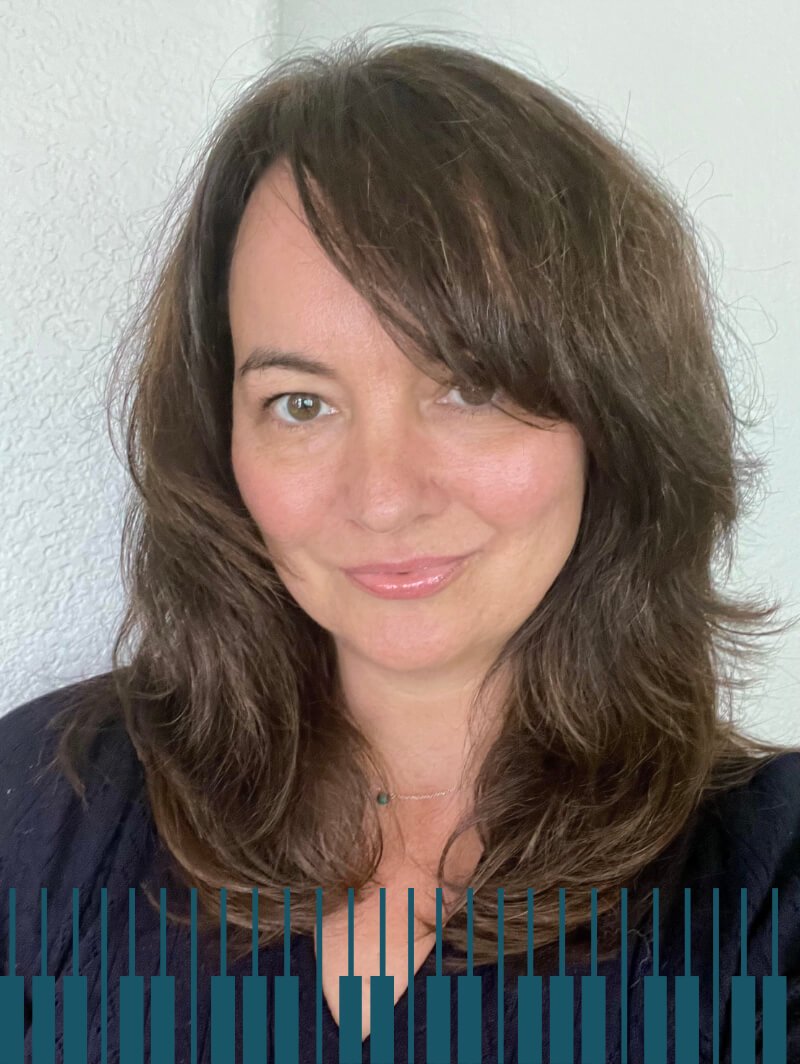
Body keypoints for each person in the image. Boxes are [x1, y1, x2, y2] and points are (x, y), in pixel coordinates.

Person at [2, 31, 799, 1064]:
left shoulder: (762, 882)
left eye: (466, 387)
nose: (381, 495)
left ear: (615, 416)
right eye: (298, 403)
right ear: (222, 440)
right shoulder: (49, 806)